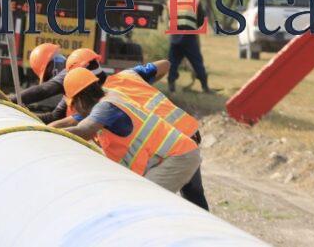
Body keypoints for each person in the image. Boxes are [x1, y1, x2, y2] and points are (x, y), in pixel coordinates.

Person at [64, 49, 208, 209]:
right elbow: (165, 64)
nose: (75, 110)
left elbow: (83, 129)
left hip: (177, 151)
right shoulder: (121, 82)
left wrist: (50, 133)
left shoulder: (104, 107)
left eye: (73, 105)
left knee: (143, 204)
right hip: (180, 141)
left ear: (81, 99)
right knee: (191, 197)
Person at [167, 0, 210, 93]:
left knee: (173, 61)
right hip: (189, 37)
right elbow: (201, 20)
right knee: (197, 61)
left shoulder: (171, 1)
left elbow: (170, 18)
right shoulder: (196, 1)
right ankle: (205, 86)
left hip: (175, 37)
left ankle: (171, 84)